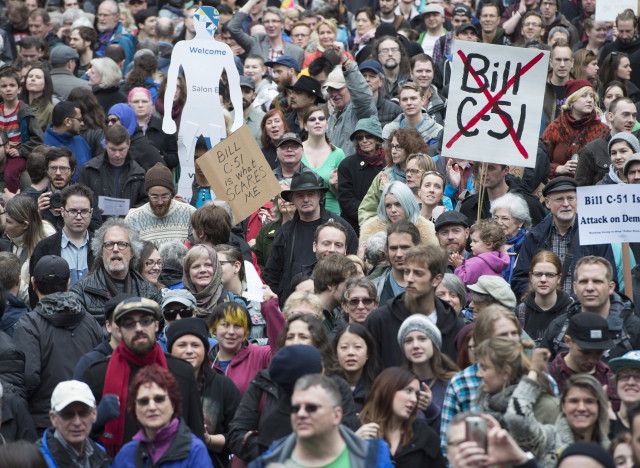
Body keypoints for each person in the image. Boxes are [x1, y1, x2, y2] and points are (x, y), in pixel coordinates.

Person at [81, 297, 204, 456]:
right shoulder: (97, 374)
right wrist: (97, 421)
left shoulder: (181, 371)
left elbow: (195, 431)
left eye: (145, 321)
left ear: (156, 325)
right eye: (129, 323)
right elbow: (81, 441)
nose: (138, 328)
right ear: (119, 330)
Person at [15, 254, 103, 433]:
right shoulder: (91, 321)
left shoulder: (28, 324)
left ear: (33, 283)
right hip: (85, 420)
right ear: (68, 282)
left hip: (45, 423)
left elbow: (29, 377)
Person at [247, 373, 392, 468]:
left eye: (311, 408)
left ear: (336, 415)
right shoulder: (271, 460)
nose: (301, 414)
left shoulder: (373, 456)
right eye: (295, 408)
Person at [511, 177, 617, 298]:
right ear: (547, 203)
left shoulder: (595, 235)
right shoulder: (534, 236)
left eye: (571, 198)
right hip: (546, 312)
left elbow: (609, 278)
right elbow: (520, 279)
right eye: (560, 199)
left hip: (583, 309)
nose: (566, 204)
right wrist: (540, 299)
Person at [264, 171, 358, 303]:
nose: (306, 199)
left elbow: (353, 266)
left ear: (319, 196)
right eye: (300, 195)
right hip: (292, 305)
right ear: (292, 200)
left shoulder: (341, 227)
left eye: (311, 194)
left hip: (333, 304)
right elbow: (272, 273)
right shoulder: (286, 231)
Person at [366, 244, 464, 366]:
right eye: (407, 272)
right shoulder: (379, 320)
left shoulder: (455, 326)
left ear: (437, 279)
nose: (410, 279)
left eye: (418, 273)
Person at [167, 318, 241, 464]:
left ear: (205, 350)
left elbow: (238, 437)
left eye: (195, 345)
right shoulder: (158, 385)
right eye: (182, 345)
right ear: (170, 350)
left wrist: (209, 440)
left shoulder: (223, 386)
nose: (189, 351)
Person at [539, 256, 640, 361]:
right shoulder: (559, 327)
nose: (590, 288)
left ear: (611, 287)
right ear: (575, 287)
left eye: (597, 281)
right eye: (583, 281)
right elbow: (544, 374)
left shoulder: (633, 328)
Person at [111, 364, 213, 468]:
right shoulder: (126, 454)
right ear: (135, 409)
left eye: (159, 399)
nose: (151, 407)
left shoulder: (194, 451)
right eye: (143, 401)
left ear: (173, 403)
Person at [505, 369, 609, 467]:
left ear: (599, 406)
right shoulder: (548, 439)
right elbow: (516, 419)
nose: (581, 408)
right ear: (563, 405)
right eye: (574, 401)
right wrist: (534, 371)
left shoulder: (611, 450)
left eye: (589, 401)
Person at [70, 218, 161, 325]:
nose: (115, 249)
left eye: (122, 244)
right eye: (109, 244)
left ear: (132, 252)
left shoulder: (149, 292)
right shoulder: (81, 291)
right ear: (101, 252)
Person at [357, 367, 445, 467]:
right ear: (388, 390)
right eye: (408, 391)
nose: (414, 399)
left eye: (416, 394)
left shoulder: (424, 435)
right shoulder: (357, 428)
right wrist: (352, 445)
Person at [206, 300, 283, 396]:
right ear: (214, 329)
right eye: (225, 325)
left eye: (237, 326)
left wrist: (270, 308)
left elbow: (283, 349)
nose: (231, 332)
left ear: (246, 331)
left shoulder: (260, 355)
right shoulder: (204, 360)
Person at [476, 338, 559, 425]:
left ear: (506, 373)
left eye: (484, 368)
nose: (478, 374)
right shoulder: (486, 401)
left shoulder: (548, 408)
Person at [359, 128, 430, 226]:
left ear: (411, 148)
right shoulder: (383, 176)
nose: (393, 151)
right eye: (392, 146)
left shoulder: (426, 174)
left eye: (398, 147)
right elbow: (366, 210)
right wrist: (377, 233)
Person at [398, 314, 459, 429]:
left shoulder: (453, 384)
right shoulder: (397, 385)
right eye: (408, 341)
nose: (415, 345)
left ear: (433, 343)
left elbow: (454, 432)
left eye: (422, 339)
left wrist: (431, 410)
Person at [543, 79, 609, 179]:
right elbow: (539, 161)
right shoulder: (555, 128)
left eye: (591, 96)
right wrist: (558, 168)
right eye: (584, 96)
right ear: (571, 101)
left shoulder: (603, 130)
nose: (590, 100)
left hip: (591, 188)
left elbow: (610, 164)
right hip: (559, 187)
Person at [546, 312, 618, 403]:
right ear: (567, 341)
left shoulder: (610, 378)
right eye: (585, 352)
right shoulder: (548, 377)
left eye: (599, 353)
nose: (592, 360)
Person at [37, 380, 110, 468]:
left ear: (94, 414)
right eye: (68, 415)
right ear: (53, 418)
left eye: (83, 413)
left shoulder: (99, 453)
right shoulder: (37, 460)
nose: (77, 422)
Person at [78, 125, 148, 211]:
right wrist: (92, 208)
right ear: (105, 144)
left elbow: (146, 200)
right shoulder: (89, 169)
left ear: (129, 144)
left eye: (121, 149)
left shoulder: (139, 173)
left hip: (128, 221)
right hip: (98, 221)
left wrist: (134, 210)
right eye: (113, 149)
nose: (117, 154)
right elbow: (79, 197)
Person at [125, 163, 196, 247]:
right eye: (154, 197)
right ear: (147, 194)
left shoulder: (189, 213)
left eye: (165, 196)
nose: (160, 202)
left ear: (171, 193)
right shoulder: (133, 219)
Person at [0, 195, 55, 301]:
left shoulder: (45, 247)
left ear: (25, 225)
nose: (4, 226)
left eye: (9, 222)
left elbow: (38, 295)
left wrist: (9, 282)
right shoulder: (16, 236)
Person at [325, 47, 377, 156]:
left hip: (357, 171)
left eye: (338, 88)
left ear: (350, 87)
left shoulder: (360, 110)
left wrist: (345, 59)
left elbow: (363, 96)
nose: (334, 94)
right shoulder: (333, 116)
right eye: (331, 89)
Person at [337, 117, 386, 233]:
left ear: (377, 138)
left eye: (369, 136)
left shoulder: (388, 162)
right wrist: (368, 217)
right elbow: (346, 199)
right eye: (360, 137)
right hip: (354, 225)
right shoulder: (347, 164)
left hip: (385, 222)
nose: (364, 140)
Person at [0, 65, 44, 194]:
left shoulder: (25, 112)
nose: (8, 89)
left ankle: (12, 202)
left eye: (12, 85)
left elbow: (37, 139)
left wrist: (20, 150)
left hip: (18, 154)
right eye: (4, 86)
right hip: (2, 152)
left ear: (19, 89)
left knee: (10, 173)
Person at [576, 96, 636, 186]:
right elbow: (581, 189)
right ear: (610, 116)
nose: (631, 120)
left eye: (634, 115)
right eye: (625, 115)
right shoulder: (592, 149)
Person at [517, 250, 573, 344]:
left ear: (559, 278)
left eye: (550, 275)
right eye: (538, 274)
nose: (543, 279)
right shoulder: (520, 313)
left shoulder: (572, 312)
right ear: (531, 276)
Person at [228, 0, 304, 69]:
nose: (270, 25)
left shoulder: (297, 52)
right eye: (267, 21)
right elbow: (233, 27)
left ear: (282, 24)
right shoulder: (255, 43)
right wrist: (251, 2)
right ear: (263, 24)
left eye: (274, 21)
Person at [301, 106, 345, 215]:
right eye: (312, 119)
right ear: (305, 126)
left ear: (327, 124)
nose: (317, 122)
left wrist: (334, 186)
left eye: (321, 119)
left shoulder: (338, 154)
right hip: (303, 212)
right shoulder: (297, 152)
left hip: (331, 213)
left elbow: (345, 193)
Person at [451, 219, 509, 288]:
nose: (471, 244)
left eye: (475, 241)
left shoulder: (477, 262)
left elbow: (464, 282)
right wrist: (463, 263)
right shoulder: (497, 260)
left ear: (489, 244)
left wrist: (459, 266)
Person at [43, 101, 92, 179]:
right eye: (80, 119)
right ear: (68, 121)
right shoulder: (43, 144)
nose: (82, 123)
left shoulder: (80, 140)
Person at [490, 193, 532, 282]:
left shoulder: (529, 243)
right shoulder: (489, 242)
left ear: (520, 222)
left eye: (505, 218)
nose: (499, 222)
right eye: (496, 218)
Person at [20, 63, 54, 131]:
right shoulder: (18, 104)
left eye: (38, 77)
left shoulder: (50, 109)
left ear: (46, 83)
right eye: (30, 76)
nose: (33, 79)